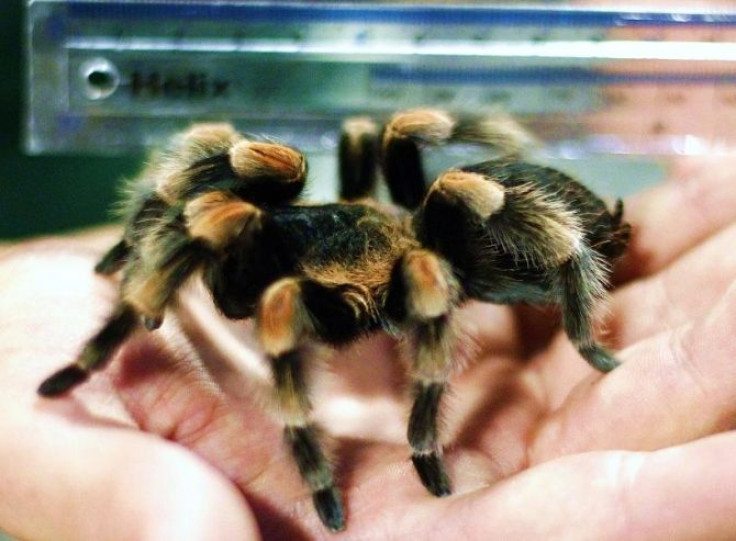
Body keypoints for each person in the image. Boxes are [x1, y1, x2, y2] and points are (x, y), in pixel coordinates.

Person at [1, 155, 736, 541]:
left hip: (520, 241)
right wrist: (109, 261)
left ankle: (561, 326)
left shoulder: (334, 280)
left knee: (420, 243)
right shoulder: (268, 220)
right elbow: (206, 188)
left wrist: (423, 436)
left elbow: (410, 283)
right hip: (438, 230)